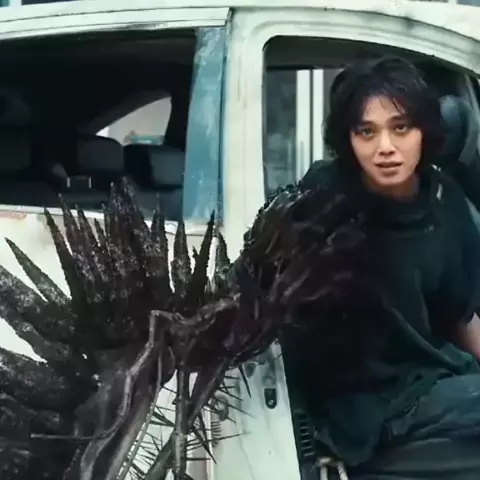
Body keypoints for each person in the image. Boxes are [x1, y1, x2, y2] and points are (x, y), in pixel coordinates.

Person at [284, 56, 480, 479]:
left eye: (401, 128)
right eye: (366, 132)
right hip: (358, 401)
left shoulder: (445, 201)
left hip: (428, 379)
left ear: (424, 130)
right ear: (348, 138)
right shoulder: (323, 198)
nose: (385, 147)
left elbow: (461, 316)